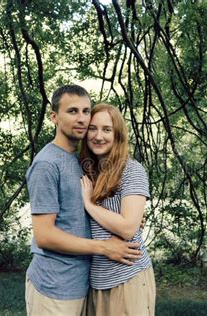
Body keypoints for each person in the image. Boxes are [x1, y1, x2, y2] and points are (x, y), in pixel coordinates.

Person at [25, 85, 142, 316]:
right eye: (72, 111)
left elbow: (83, 210)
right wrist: (105, 247)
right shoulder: (47, 164)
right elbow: (44, 235)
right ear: (54, 117)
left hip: (83, 284)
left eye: (86, 111)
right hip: (54, 286)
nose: (81, 119)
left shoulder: (80, 161)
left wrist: (130, 218)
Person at [80, 103, 156, 316]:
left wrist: (89, 204)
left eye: (107, 129)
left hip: (127, 276)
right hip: (96, 279)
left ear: (118, 134)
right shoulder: (88, 171)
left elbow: (128, 229)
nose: (98, 136)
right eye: (93, 129)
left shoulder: (132, 170)